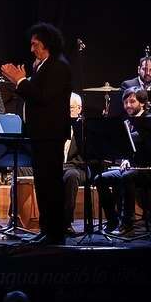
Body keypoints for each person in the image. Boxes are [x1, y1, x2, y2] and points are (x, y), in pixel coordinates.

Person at [1, 22, 72, 244]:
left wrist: (20, 80)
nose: (32, 49)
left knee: (51, 183)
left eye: (35, 44)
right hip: (40, 134)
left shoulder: (58, 66)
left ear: (47, 43)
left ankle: (55, 233)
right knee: (42, 183)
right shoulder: (42, 66)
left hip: (51, 134)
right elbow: (34, 96)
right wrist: (21, 82)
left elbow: (43, 97)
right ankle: (46, 229)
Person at [94, 87, 151, 234]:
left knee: (127, 177)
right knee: (100, 179)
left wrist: (130, 158)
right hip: (131, 168)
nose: (128, 105)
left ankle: (127, 225)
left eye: (132, 101)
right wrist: (125, 158)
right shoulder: (124, 121)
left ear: (142, 103)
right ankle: (113, 220)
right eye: (125, 102)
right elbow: (124, 146)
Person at [63, 92, 86, 235]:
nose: (67, 111)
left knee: (71, 175)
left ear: (79, 108)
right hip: (60, 166)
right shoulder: (57, 126)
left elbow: (84, 158)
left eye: (71, 108)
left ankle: (66, 223)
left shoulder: (84, 127)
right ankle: (15, 218)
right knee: (22, 168)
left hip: (78, 168)